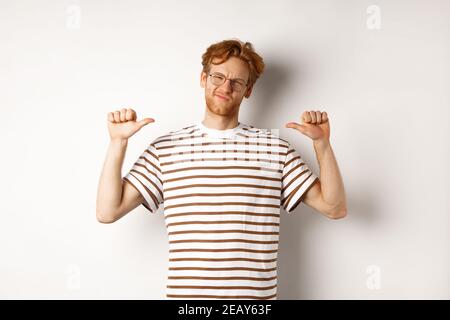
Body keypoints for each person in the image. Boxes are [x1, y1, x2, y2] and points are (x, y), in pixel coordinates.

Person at [96, 38, 347, 300]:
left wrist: (322, 145)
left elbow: (335, 207)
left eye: (237, 82)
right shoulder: (166, 148)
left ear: (248, 90)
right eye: (218, 77)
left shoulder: (274, 148)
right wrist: (118, 143)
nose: (225, 87)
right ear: (203, 78)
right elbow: (107, 211)